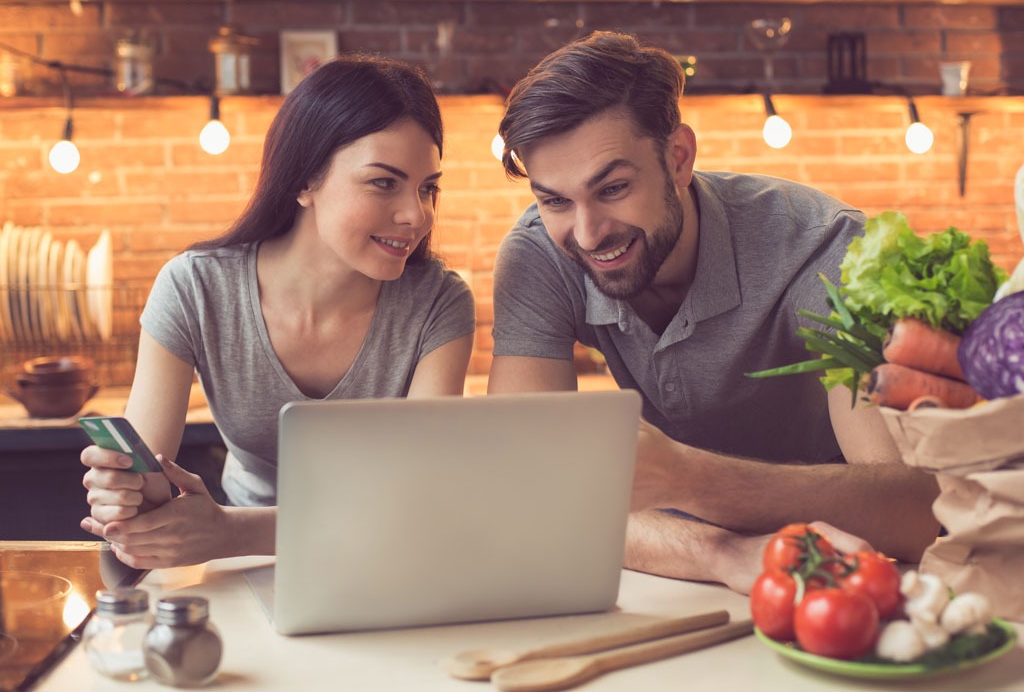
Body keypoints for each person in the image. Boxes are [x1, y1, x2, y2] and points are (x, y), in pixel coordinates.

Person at [488, 31, 940, 593]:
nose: (587, 233)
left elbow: (919, 511)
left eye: (614, 188)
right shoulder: (538, 255)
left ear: (678, 158)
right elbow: (532, 487)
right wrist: (724, 553)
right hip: (682, 571)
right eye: (554, 200)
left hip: (839, 566)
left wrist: (689, 480)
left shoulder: (822, 251)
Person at [80, 55, 476, 569]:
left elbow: (419, 501)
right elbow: (149, 476)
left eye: (428, 188)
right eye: (384, 182)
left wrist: (230, 531)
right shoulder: (195, 286)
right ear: (305, 180)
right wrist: (126, 495)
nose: (416, 215)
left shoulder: (438, 304)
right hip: (239, 566)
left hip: (381, 561)